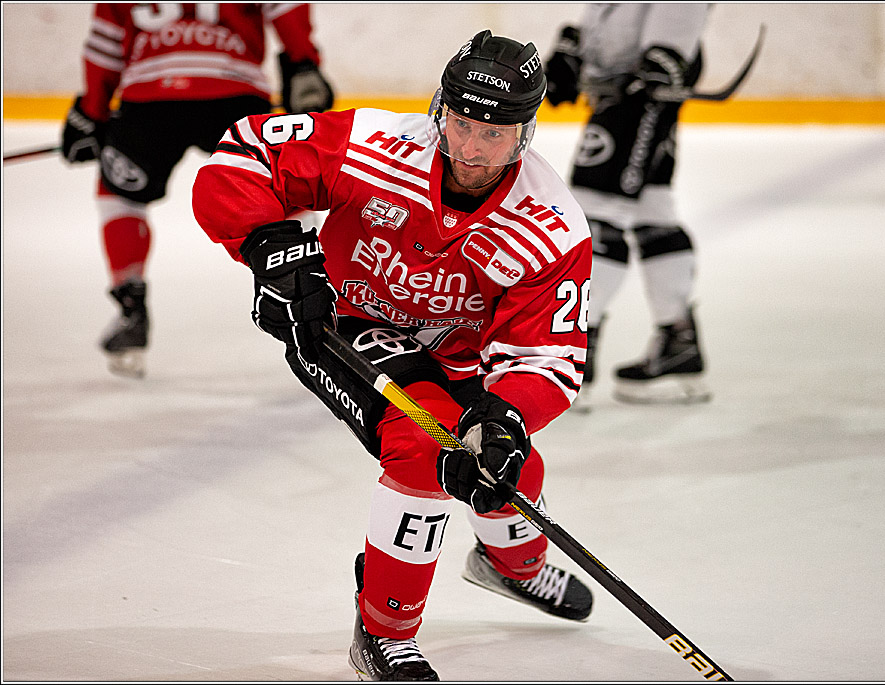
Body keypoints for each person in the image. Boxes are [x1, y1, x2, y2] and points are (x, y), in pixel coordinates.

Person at [192, 30, 594, 681]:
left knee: (508, 471)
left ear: (526, 131)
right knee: (426, 451)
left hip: (461, 356)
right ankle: (385, 629)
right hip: (343, 322)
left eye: (492, 134)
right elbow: (244, 152)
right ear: (440, 107)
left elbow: (547, 352)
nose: (470, 149)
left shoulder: (551, 223)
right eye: (461, 124)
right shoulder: (376, 144)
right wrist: (271, 245)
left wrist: (504, 418)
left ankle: (509, 563)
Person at [60, 3, 334, 378]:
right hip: (234, 93)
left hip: (149, 100)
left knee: (119, 192)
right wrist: (304, 63)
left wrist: (92, 110)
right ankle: (320, 294)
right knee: (282, 190)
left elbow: (104, 42)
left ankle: (130, 304)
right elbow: (284, 7)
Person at [544, 3, 712, 406]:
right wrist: (577, 49)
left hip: (640, 91)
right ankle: (679, 345)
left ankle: (575, 354)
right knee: (653, 208)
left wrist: (668, 51)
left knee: (595, 212)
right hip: (625, 88)